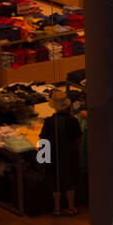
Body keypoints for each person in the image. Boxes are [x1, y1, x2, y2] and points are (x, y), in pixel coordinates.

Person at [40, 88, 83, 217]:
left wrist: (43, 159)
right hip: (69, 154)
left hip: (53, 155)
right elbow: (78, 139)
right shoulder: (73, 120)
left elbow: (43, 140)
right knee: (70, 180)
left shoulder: (48, 121)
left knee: (55, 181)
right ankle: (71, 207)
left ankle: (57, 208)